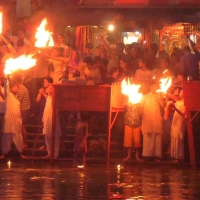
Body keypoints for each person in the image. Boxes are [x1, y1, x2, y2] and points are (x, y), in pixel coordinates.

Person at [0, 80, 25, 159]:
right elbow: (5, 90)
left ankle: (20, 152)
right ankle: (4, 153)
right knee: (7, 137)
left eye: (17, 88)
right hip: (9, 120)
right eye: (14, 87)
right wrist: (7, 79)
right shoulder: (9, 95)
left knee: (18, 137)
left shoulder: (17, 99)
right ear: (11, 89)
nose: (16, 88)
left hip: (17, 121)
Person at [141, 81, 165, 161]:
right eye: (154, 86)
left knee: (157, 136)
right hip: (148, 118)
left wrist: (160, 99)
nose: (155, 88)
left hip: (156, 118)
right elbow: (140, 106)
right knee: (148, 135)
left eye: (156, 86)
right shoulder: (145, 96)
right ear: (151, 87)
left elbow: (164, 106)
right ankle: (147, 155)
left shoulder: (159, 96)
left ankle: (156, 155)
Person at [42, 85, 62, 159]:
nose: (48, 89)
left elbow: (56, 108)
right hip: (47, 119)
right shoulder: (48, 97)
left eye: (50, 88)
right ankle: (49, 153)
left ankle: (56, 154)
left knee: (55, 137)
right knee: (47, 136)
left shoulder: (55, 98)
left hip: (52, 120)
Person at [13, 74, 30, 148]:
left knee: (22, 127)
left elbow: (18, 101)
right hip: (23, 109)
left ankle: (25, 143)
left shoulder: (21, 89)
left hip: (23, 110)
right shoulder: (21, 88)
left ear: (16, 82)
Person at [170, 90, 186, 163]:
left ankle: (179, 157)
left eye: (181, 92)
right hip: (175, 121)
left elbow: (183, 114)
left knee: (179, 137)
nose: (179, 93)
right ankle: (174, 155)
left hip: (181, 121)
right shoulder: (178, 102)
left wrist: (175, 108)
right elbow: (172, 108)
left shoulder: (186, 103)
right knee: (174, 136)